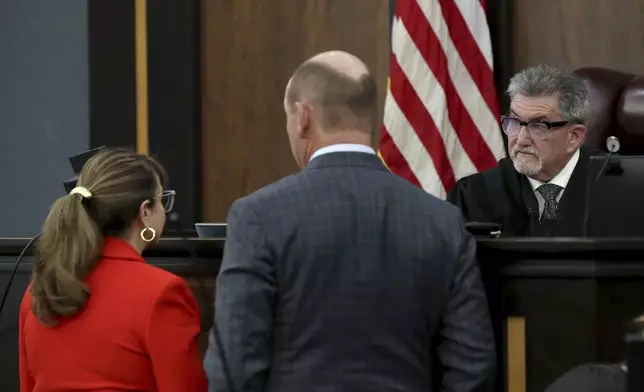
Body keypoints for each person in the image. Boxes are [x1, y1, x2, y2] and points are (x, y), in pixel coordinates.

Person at [203, 51, 495, 392]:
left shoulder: (258, 216)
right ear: (368, 117)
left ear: (303, 116)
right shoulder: (442, 221)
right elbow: (473, 365)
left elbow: (234, 368)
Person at [19, 148, 207, 392]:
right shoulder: (163, 292)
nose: (164, 211)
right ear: (145, 212)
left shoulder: (39, 290)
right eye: (162, 200)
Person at [447, 64, 590, 236]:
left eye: (538, 126)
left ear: (574, 136)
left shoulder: (616, 191)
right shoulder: (475, 195)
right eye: (514, 122)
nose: (521, 140)